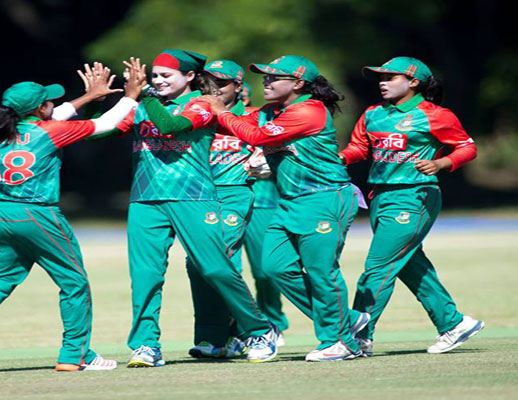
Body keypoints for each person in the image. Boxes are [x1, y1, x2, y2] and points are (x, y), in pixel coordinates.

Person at [0, 61, 147, 373]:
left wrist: (87, 97)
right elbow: (106, 124)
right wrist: (131, 96)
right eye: (48, 101)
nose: (53, 104)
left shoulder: (0, 132)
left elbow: (53, 116)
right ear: (40, 108)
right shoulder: (50, 132)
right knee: (74, 284)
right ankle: (75, 356)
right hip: (34, 214)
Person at [106, 49, 279, 367]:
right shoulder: (145, 106)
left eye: (165, 75)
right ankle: (146, 345)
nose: (157, 81)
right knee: (145, 275)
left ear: (189, 77)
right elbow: (101, 130)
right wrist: (95, 100)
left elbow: (170, 126)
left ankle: (258, 330)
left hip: (196, 196)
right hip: (146, 197)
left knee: (213, 267)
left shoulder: (202, 104)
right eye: (154, 75)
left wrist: (143, 93)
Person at [200, 55, 370, 362]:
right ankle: (348, 318)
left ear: (298, 83)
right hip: (290, 201)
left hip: (324, 198)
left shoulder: (308, 110)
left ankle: (341, 341)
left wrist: (221, 111)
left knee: (322, 273)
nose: (266, 82)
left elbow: (255, 136)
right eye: (265, 77)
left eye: (274, 77)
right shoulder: (271, 110)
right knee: (275, 267)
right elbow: (237, 126)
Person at [340, 56, 484, 356]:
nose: (382, 82)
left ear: (413, 82)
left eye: (390, 77)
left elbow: (466, 147)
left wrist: (441, 163)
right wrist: (339, 158)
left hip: (415, 195)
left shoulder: (436, 115)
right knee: (409, 264)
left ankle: (357, 337)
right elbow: (359, 148)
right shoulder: (373, 114)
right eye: (380, 78)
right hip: (380, 196)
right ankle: (453, 323)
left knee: (377, 268)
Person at [184, 60, 284, 359]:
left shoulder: (255, 115)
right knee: (196, 265)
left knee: (216, 260)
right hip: (198, 197)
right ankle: (214, 337)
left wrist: (267, 158)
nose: (212, 89)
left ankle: (259, 328)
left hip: (234, 193)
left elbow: (281, 139)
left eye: (221, 83)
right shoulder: (193, 113)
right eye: (208, 82)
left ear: (238, 87)